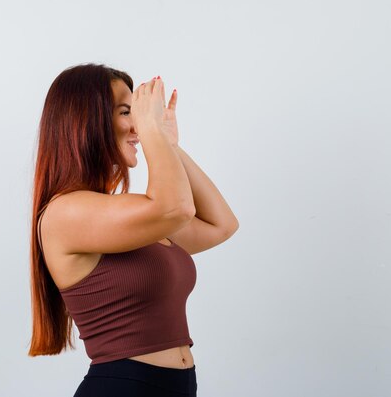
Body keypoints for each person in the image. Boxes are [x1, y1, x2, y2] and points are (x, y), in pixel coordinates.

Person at [28, 63, 239, 396]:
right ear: (87, 123)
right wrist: (153, 131)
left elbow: (220, 225)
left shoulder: (125, 214)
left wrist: (168, 142)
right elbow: (176, 208)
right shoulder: (66, 213)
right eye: (127, 112)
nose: (137, 126)